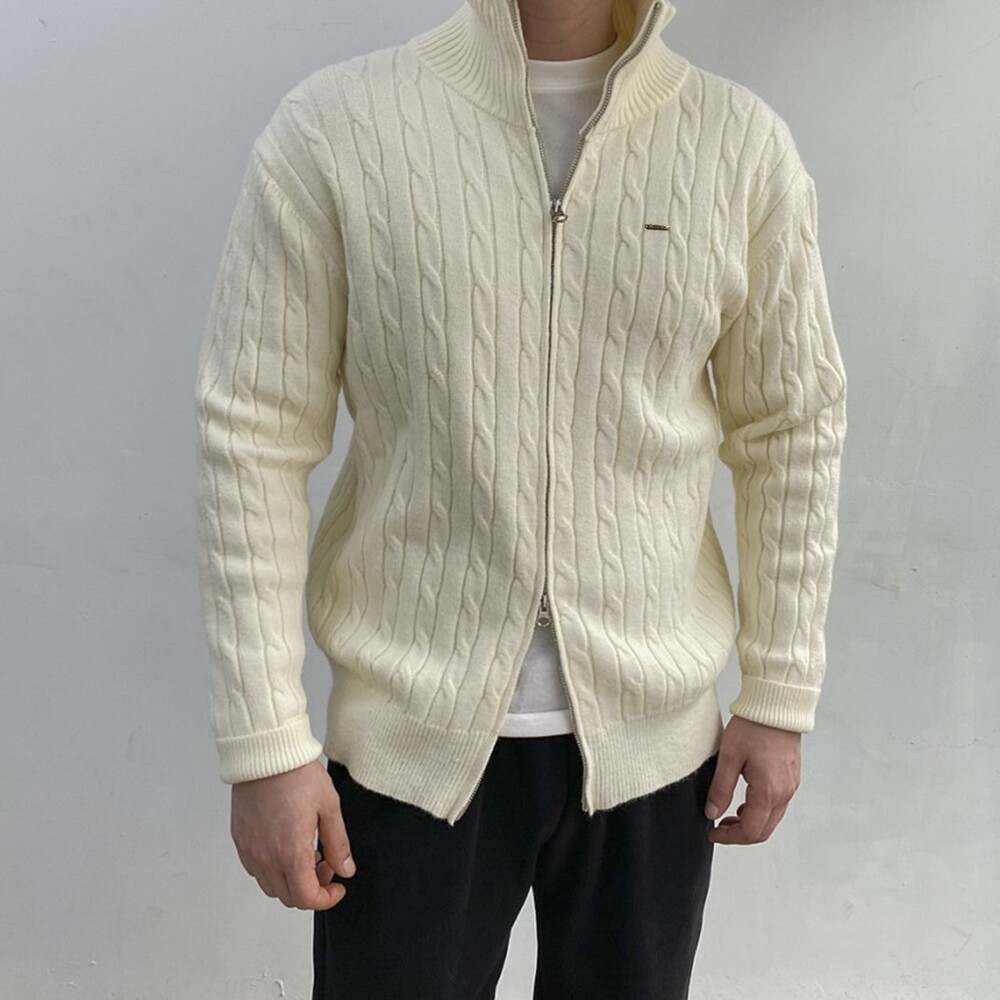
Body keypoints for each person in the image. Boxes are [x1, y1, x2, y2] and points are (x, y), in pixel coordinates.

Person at [193, 0, 847, 996]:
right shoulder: (336, 130)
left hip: (657, 750)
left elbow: (791, 428)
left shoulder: (739, 147)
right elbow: (253, 437)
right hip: (407, 747)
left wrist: (780, 693)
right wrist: (265, 743)